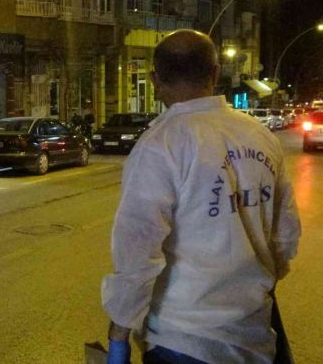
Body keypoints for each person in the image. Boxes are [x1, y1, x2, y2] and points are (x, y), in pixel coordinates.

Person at [101, 30, 301, 364]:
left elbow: (137, 251)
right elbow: (286, 235)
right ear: (215, 73)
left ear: (155, 80)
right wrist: (252, 289)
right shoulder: (259, 135)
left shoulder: (160, 145)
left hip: (182, 341)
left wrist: (119, 334)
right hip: (254, 338)